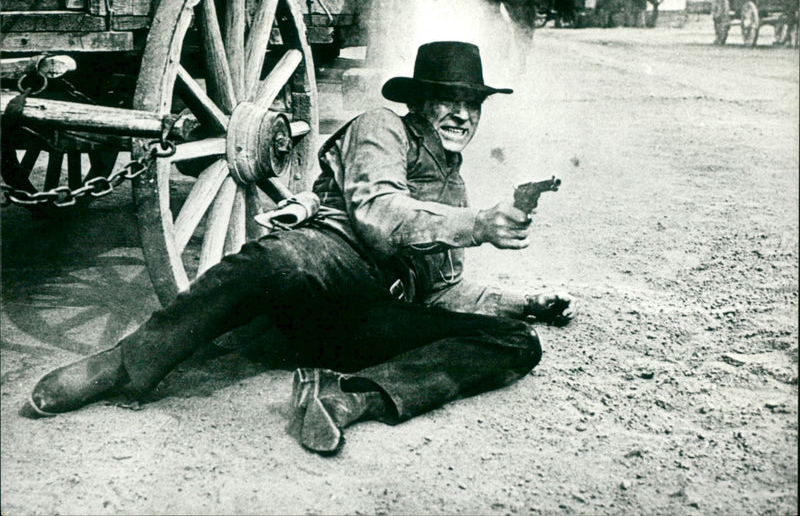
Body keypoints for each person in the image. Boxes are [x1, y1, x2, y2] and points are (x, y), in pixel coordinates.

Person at [27, 41, 576, 454]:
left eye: (472, 104)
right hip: (335, 264)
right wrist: (478, 224)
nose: (462, 115)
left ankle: (347, 398)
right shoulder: (383, 128)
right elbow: (380, 215)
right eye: (447, 100)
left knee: (516, 343)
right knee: (282, 257)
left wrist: (523, 304)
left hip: (365, 319)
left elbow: (442, 290)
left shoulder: (454, 187)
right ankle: (125, 365)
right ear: (420, 102)